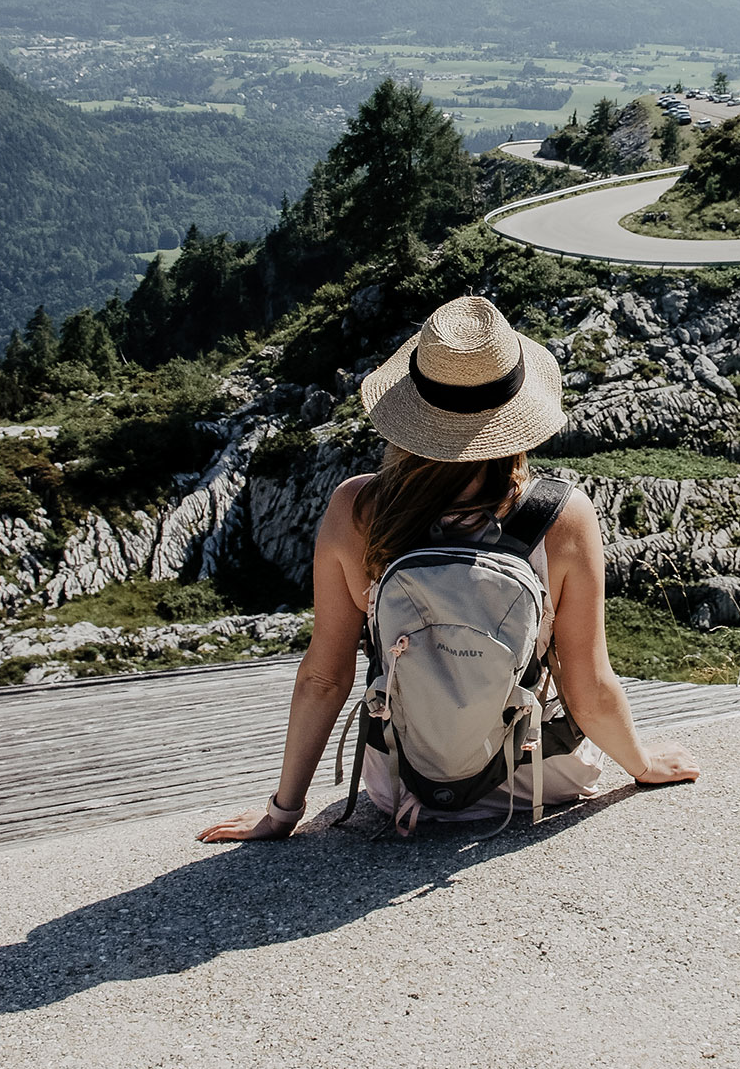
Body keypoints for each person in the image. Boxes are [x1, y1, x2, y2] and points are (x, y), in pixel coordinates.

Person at [200, 295, 698, 842]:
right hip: (539, 776)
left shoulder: (356, 509)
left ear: (410, 409)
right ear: (516, 415)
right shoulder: (561, 515)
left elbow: (324, 677)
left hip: (401, 784)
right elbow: (589, 687)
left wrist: (283, 812)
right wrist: (642, 765)